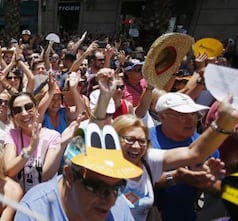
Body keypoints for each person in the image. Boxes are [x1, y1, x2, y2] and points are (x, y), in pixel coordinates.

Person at [112, 110, 236, 221]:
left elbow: (192, 153)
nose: (136, 146)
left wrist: (224, 122)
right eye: (129, 139)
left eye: (142, 141)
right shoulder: (104, 164)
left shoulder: (148, 159)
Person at [14, 123, 142, 221]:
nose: (110, 199)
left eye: (117, 187)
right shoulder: (34, 211)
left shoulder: (119, 208)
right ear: (69, 176)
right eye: (96, 187)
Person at [149, 92, 237, 221]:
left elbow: (221, 190)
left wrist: (208, 182)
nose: (191, 120)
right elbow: (139, 182)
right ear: (162, 116)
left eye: (194, 114)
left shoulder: (207, 145)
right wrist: (178, 177)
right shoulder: (144, 142)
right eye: (182, 115)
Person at [3, 92, 63, 192]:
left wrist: (63, 145)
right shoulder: (12, 135)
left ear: (36, 109)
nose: (24, 113)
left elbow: (46, 176)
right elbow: (8, 170)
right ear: (14, 116)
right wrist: (31, 148)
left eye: (28, 107)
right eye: (17, 110)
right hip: (20, 201)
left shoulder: (53, 136)